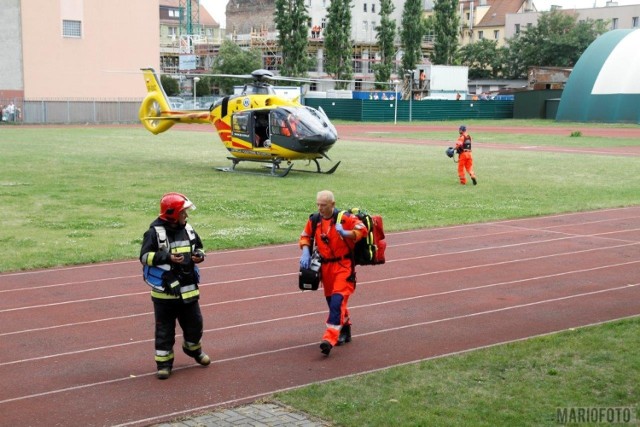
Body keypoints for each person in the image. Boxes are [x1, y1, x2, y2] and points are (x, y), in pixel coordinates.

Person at [139, 192, 210, 379]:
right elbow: (145, 257)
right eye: (183, 213)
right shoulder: (154, 233)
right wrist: (167, 257)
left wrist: (199, 256)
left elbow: (200, 248)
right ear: (172, 214)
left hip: (188, 290)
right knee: (165, 331)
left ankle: (193, 349)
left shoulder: (189, 230)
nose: (186, 216)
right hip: (165, 294)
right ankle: (164, 364)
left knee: (195, 325)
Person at [299, 190, 368, 356]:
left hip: (343, 266)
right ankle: (346, 329)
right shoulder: (314, 220)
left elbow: (362, 230)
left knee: (337, 301)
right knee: (333, 303)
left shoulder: (344, 219)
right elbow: (305, 236)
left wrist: (346, 233)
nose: (320, 208)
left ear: (333, 204)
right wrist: (305, 251)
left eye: (323, 205)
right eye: (318, 205)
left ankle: (329, 339)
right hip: (326, 269)